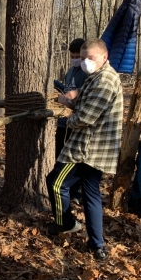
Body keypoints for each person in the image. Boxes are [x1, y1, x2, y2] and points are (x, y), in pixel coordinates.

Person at [45, 38, 123, 261]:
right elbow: (85, 106)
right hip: (92, 146)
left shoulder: (105, 80)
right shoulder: (95, 77)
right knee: (91, 194)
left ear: (104, 57)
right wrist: (70, 102)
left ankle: (66, 223)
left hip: (88, 148)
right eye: (83, 57)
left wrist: (67, 117)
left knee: (55, 183)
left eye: (91, 58)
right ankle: (97, 245)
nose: (86, 62)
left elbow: (86, 118)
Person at [55, 38, 88, 203]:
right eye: (72, 55)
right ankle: (66, 188)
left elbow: (85, 93)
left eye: (78, 56)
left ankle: (74, 191)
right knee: (59, 154)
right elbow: (68, 89)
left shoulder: (87, 72)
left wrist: (73, 99)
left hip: (76, 120)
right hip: (63, 121)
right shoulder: (70, 71)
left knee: (73, 159)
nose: (74, 59)